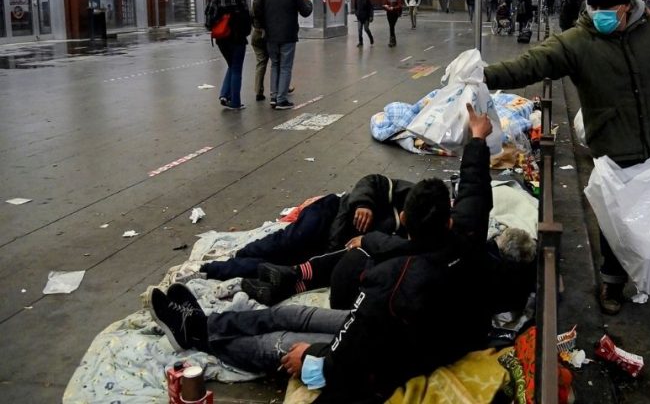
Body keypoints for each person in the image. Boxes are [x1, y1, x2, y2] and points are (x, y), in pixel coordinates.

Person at [148, 104, 496, 404]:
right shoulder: (465, 235)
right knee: (293, 314)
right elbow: (475, 189)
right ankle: (204, 323)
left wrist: (315, 363)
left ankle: (199, 336)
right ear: (448, 220)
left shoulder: (394, 282)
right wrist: (477, 138)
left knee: (282, 344)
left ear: (405, 220)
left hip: (393, 355)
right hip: (420, 336)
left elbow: (355, 344)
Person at [484, 0, 650, 315]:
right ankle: (612, 284)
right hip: (614, 144)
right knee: (616, 220)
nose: (598, 16)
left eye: (607, 10)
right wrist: (483, 75)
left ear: (627, 7)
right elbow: (531, 64)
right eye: (593, 8)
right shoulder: (577, 41)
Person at [254, 0, 312, 110]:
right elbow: (305, 12)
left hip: (270, 35)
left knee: (275, 64)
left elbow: (256, 9)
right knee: (285, 67)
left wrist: (262, 26)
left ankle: (274, 97)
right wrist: (308, 3)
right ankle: (281, 99)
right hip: (288, 35)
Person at [206, 0, 252, 110]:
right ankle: (235, 102)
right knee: (236, 68)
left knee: (231, 65)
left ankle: (225, 95)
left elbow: (209, 21)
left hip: (221, 39)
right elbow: (246, 17)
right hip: (238, 38)